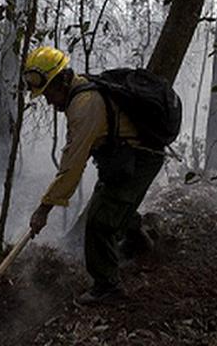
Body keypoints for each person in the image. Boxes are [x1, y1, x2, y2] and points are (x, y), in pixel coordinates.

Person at [24, 46, 164, 305]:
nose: (49, 101)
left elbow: (71, 167)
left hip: (140, 159)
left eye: (50, 93)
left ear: (63, 80)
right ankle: (140, 243)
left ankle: (108, 287)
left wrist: (43, 209)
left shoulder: (83, 106)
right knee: (111, 204)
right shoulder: (83, 90)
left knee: (98, 222)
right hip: (124, 158)